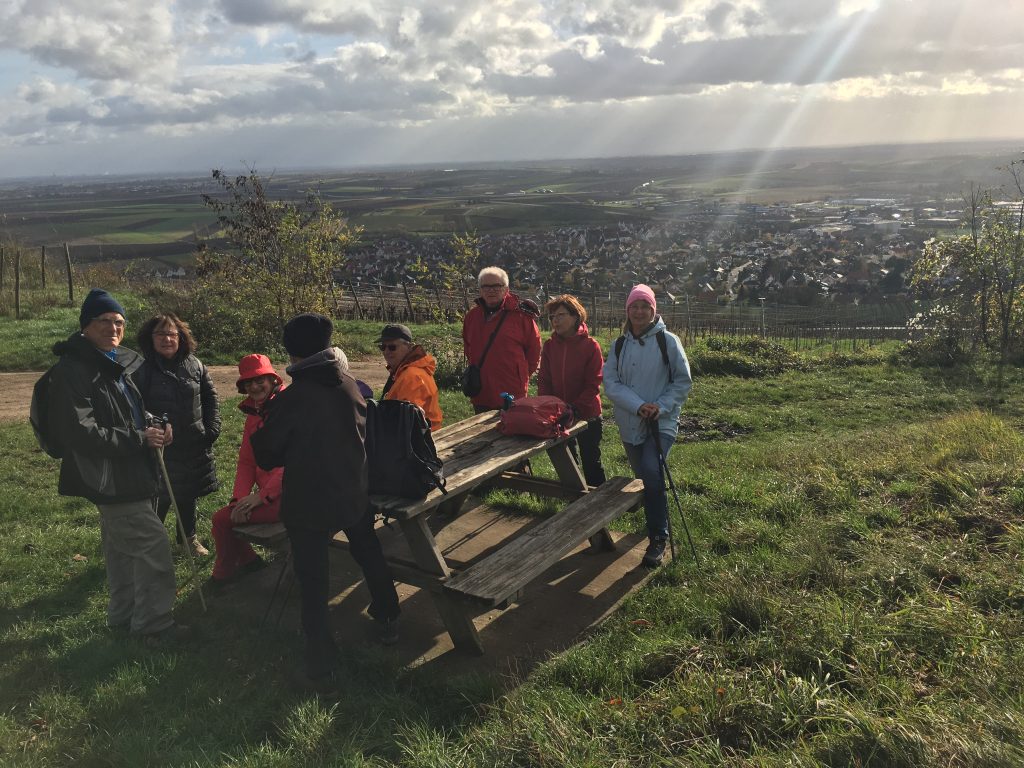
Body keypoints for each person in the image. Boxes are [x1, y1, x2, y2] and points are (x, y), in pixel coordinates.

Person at [250, 313, 400, 691]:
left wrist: (264, 418)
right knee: (368, 552)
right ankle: (388, 616)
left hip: (309, 500)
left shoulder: (294, 397)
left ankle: (320, 663)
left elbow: (267, 455)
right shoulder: (349, 384)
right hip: (353, 491)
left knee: (313, 581)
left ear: (292, 352)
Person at [46, 288, 185, 642]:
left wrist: (153, 422)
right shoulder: (74, 370)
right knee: (152, 546)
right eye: (105, 321)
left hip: (127, 471)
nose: (114, 328)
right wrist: (140, 438)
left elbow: (126, 411)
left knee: (122, 551)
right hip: (110, 477)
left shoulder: (108, 362)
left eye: (119, 322)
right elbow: (80, 432)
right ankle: (153, 626)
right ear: (85, 325)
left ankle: (123, 618)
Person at [603, 284, 692, 568]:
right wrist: (638, 405)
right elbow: (611, 383)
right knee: (644, 476)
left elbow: (682, 381)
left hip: (660, 423)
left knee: (652, 471)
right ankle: (654, 515)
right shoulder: (619, 345)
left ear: (654, 310)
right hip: (630, 423)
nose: (640, 312)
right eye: (635, 306)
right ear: (627, 310)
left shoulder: (669, 341)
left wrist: (659, 407)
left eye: (645, 306)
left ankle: (658, 538)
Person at [133, 312, 220, 556]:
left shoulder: (195, 365)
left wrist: (212, 428)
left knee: (187, 494)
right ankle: (151, 545)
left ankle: (188, 540)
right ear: (150, 338)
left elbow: (210, 397)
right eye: (160, 334)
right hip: (161, 448)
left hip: (192, 444)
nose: (167, 339)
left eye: (172, 334)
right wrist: (150, 429)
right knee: (159, 497)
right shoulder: (142, 370)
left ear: (181, 337)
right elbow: (134, 407)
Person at [207, 355, 285, 585]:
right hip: (269, 497)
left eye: (260, 380)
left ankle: (223, 576)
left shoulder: (286, 409)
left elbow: (293, 463)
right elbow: (246, 462)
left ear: (272, 380)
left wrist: (261, 496)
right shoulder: (255, 412)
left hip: (292, 497)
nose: (254, 386)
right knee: (229, 516)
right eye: (248, 382)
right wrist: (238, 500)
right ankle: (249, 562)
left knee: (221, 521)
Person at [538, 294, 607, 487]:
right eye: (552, 317)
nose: (555, 320)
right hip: (559, 415)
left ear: (576, 316)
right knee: (568, 461)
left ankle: (599, 499)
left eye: (560, 315)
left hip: (587, 414)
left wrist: (575, 408)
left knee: (591, 461)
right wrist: (547, 406)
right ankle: (575, 499)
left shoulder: (591, 346)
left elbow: (593, 383)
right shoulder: (550, 346)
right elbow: (544, 380)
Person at [462, 266, 541, 413]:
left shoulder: (522, 317)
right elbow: (468, 348)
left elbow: (534, 353)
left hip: (512, 392)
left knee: (513, 426)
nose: (491, 290)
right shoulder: (472, 317)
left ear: (506, 289)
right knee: (480, 427)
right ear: (480, 290)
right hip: (481, 391)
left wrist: (520, 375)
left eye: (496, 286)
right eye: (486, 286)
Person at [378, 323, 442, 431]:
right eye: (382, 347)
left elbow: (407, 422)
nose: (386, 351)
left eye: (392, 347)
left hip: (423, 438)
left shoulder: (413, 376)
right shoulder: (402, 371)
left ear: (408, 347)